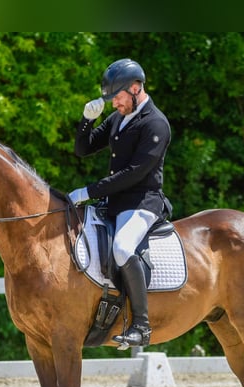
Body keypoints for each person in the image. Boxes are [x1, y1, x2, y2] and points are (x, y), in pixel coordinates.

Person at [69, 58, 172, 348]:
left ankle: (142, 325)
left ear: (136, 88)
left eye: (118, 97)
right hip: (115, 202)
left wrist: (88, 191)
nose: (114, 103)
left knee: (123, 247)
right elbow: (83, 149)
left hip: (143, 201)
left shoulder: (156, 123)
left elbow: (135, 173)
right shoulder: (119, 117)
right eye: (112, 99)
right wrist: (87, 121)